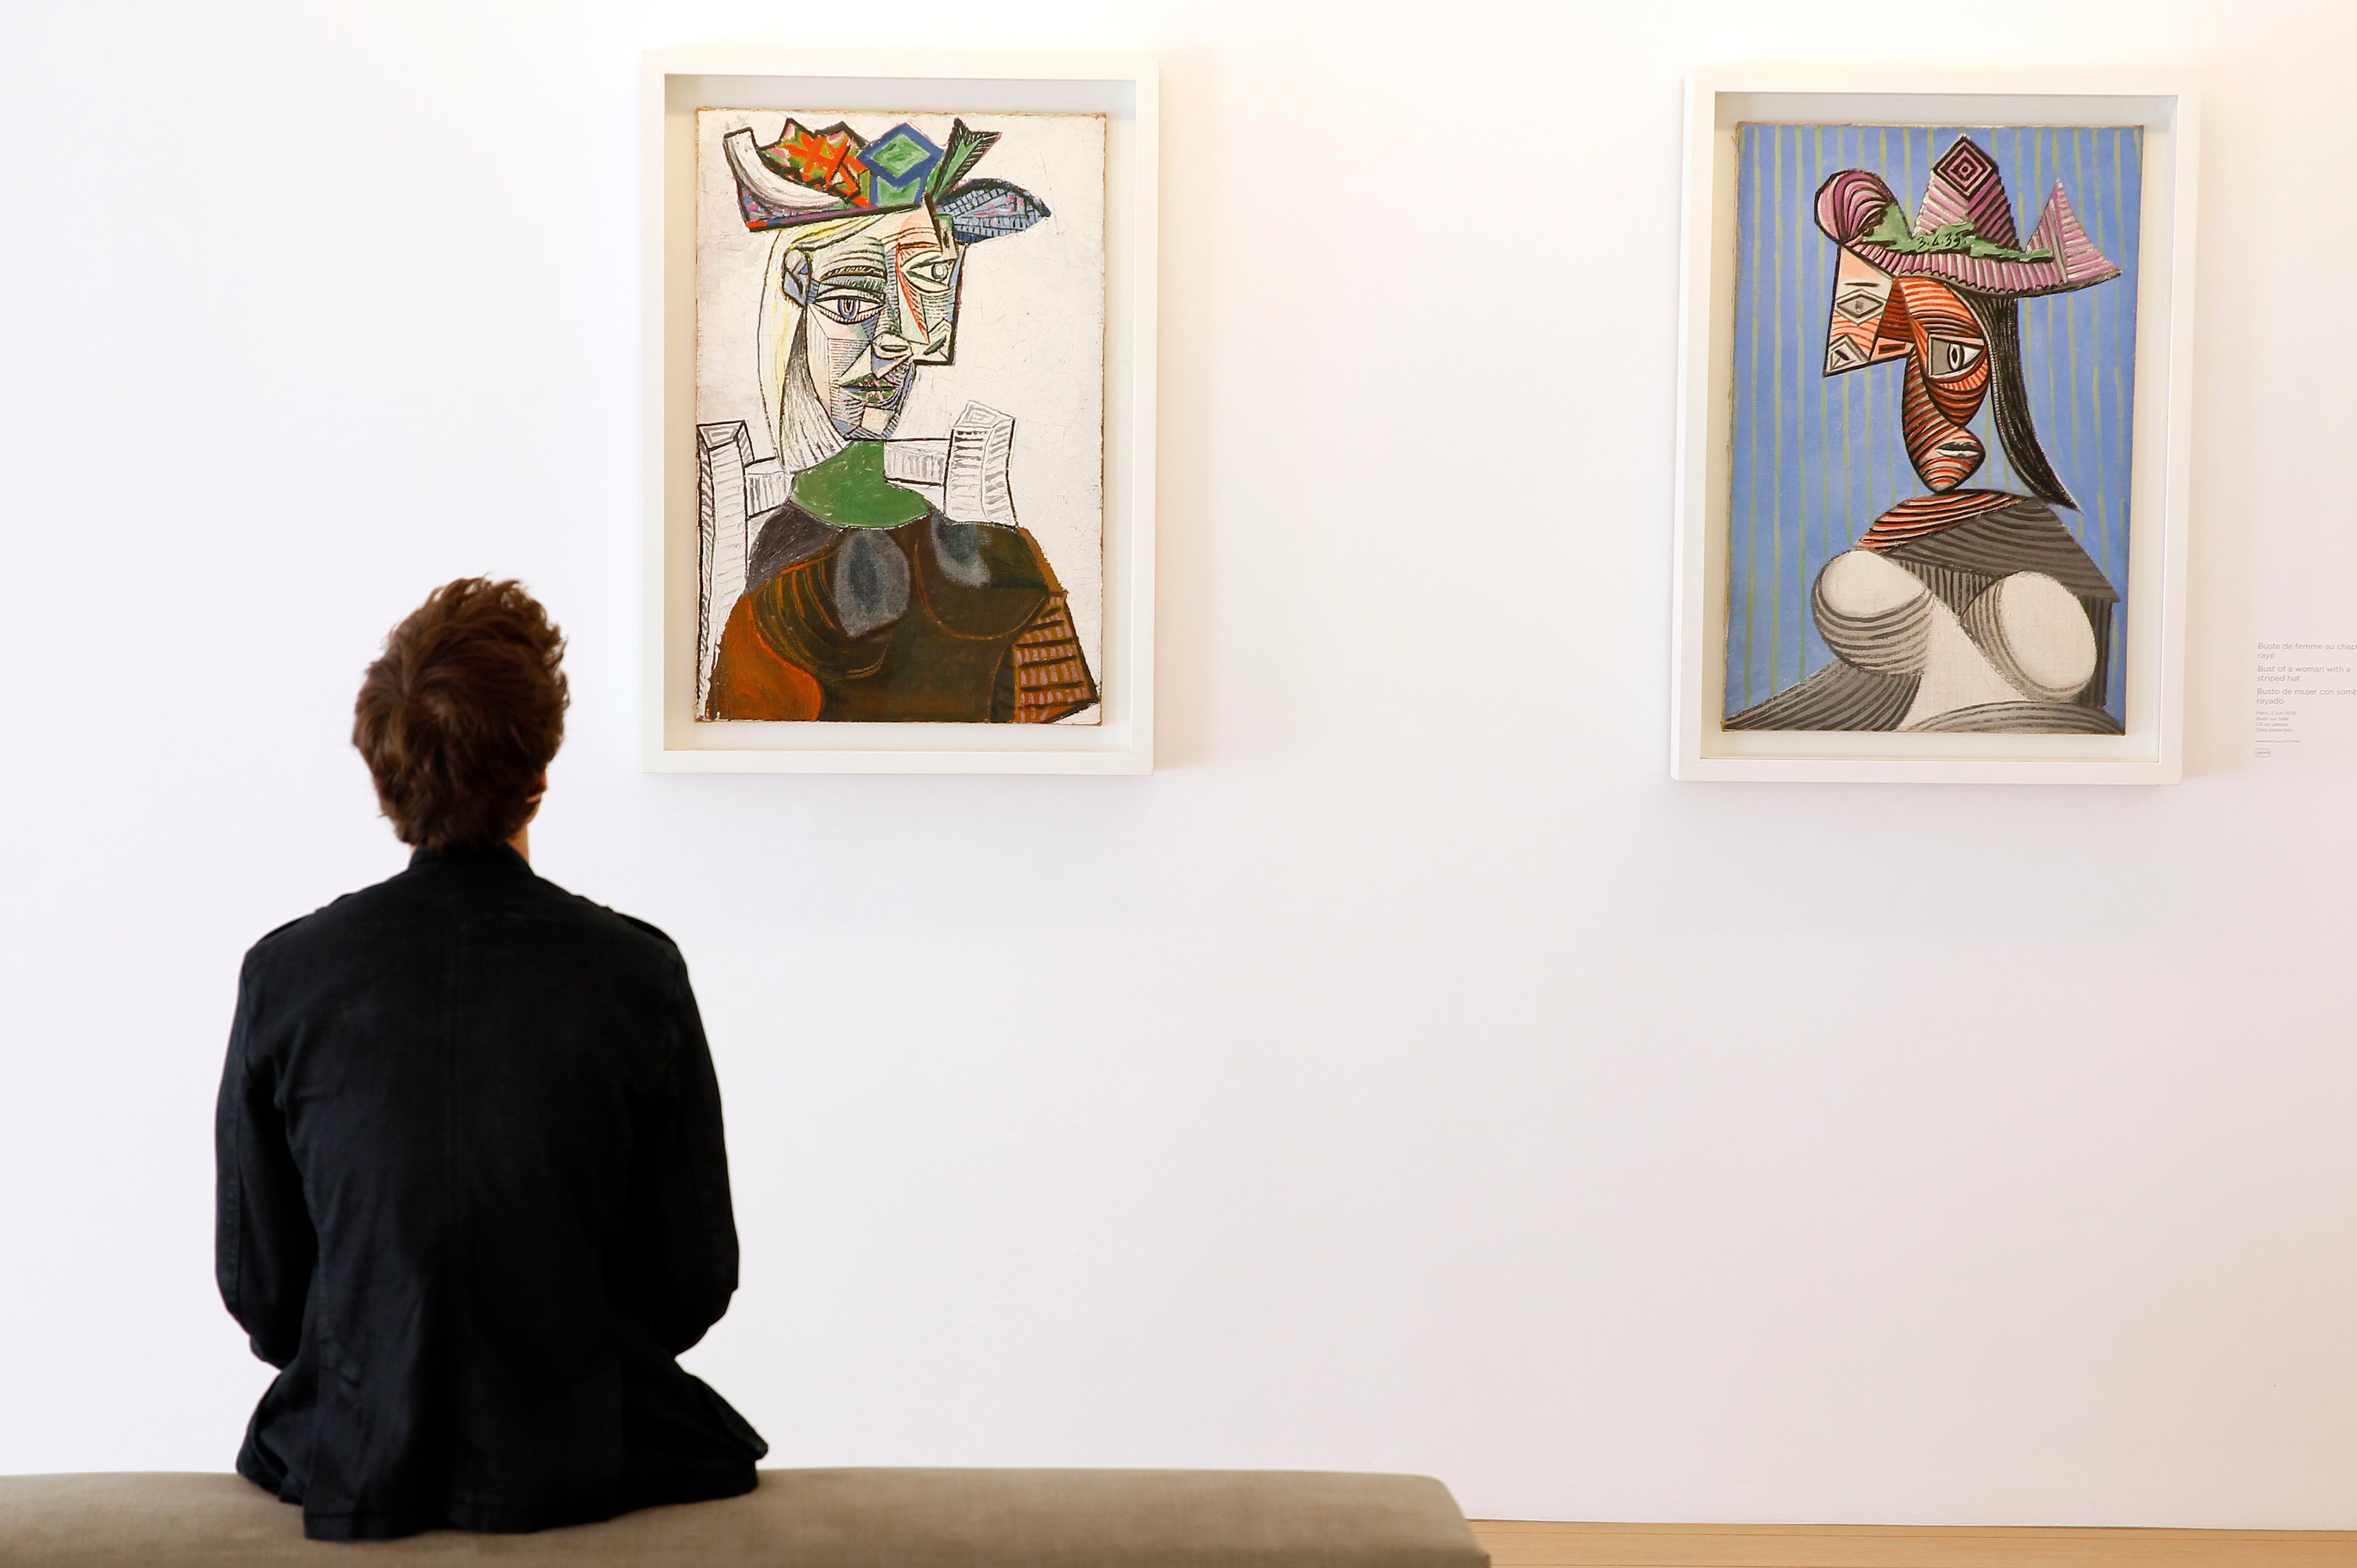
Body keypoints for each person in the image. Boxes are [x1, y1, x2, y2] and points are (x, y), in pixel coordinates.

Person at [214, 578, 766, 1541]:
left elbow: (264, 1292)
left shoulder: (286, 976)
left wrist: (380, 1349)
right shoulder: (637, 974)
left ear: (384, 776)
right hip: (587, 1440)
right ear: (540, 771)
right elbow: (693, 1278)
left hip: (355, 1445)